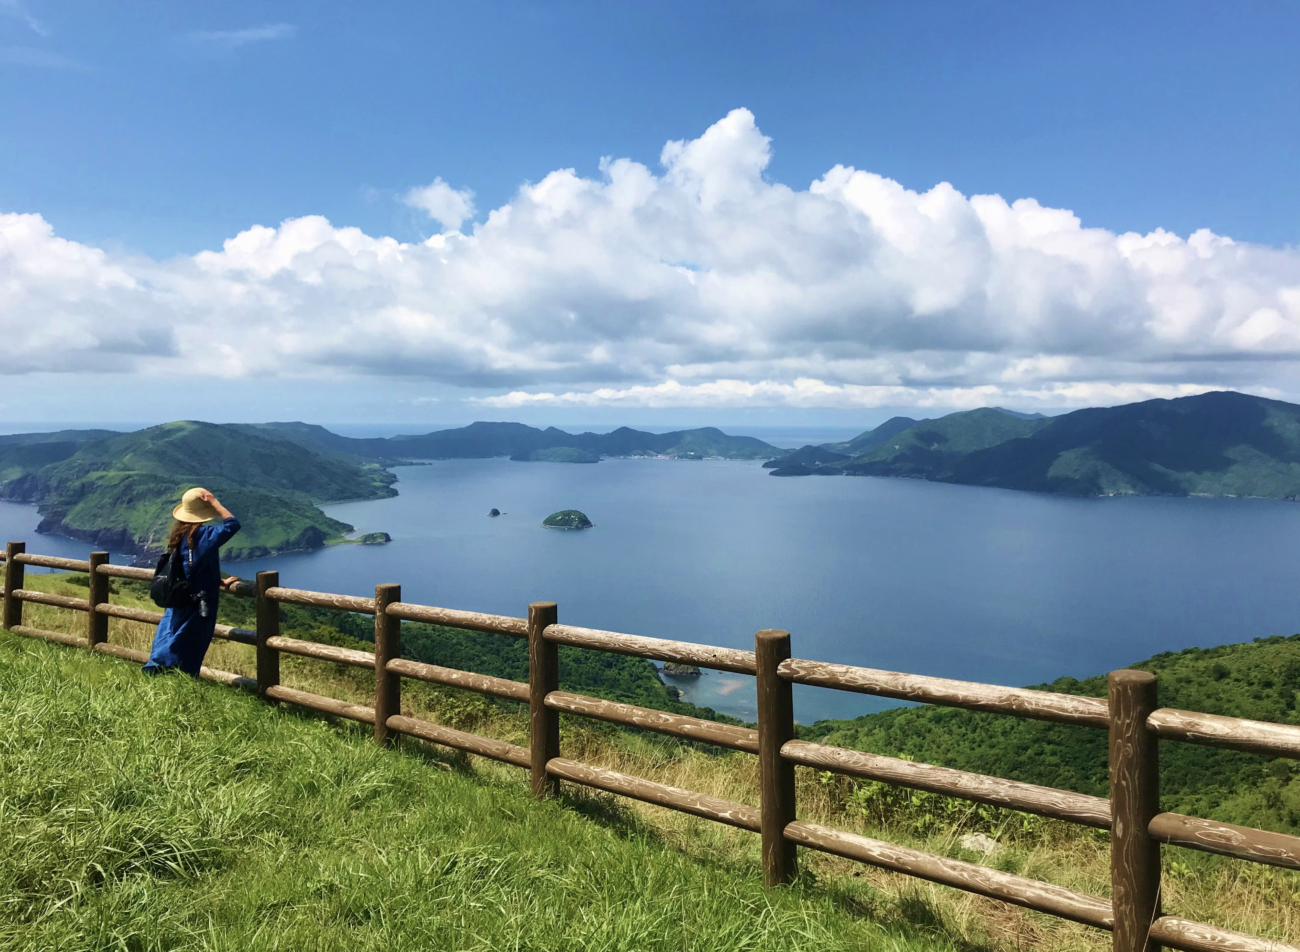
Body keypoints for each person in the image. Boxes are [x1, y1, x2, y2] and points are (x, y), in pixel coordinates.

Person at [143, 487, 241, 676]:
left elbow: (188, 569)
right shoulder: (203, 535)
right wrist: (214, 502)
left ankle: (157, 671)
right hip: (198, 602)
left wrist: (219, 581)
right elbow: (232, 524)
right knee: (189, 643)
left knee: (171, 635)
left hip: (179, 597)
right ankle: (178, 678)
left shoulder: (179, 535)